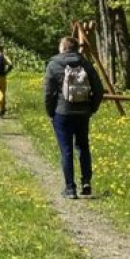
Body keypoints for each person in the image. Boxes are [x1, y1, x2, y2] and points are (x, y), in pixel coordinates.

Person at [44, 36, 104, 199]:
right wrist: (91, 108)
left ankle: (70, 189)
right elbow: (99, 90)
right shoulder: (86, 64)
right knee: (83, 147)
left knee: (66, 151)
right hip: (83, 113)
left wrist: (51, 112)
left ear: (63, 48)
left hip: (62, 113)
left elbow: (48, 93)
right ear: (77, 48)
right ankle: (86, 184)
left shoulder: (54, 64)